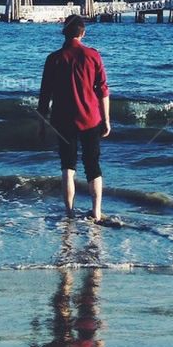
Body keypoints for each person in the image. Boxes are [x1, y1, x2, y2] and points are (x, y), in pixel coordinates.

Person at [38, 15, 110, 221]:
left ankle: (69, 213)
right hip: (90, 119)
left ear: (64, 32)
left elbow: (45, 94)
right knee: (93, 165)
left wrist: (41, 123)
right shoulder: (93, 56)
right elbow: (103, 91)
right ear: (83, 33)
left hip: (63, 121)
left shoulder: (54, 58)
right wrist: (106, 120)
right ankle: (96, 212)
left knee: (67, 167)